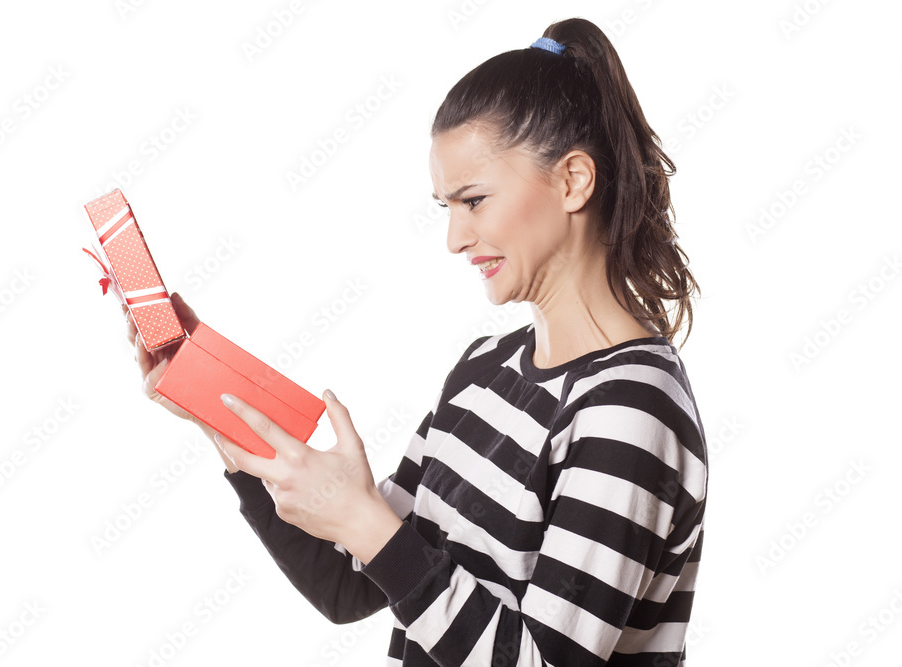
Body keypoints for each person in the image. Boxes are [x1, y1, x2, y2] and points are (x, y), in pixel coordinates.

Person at [125, 17, 707, 666]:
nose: (455, 239)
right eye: (445, 207)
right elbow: (349, 583)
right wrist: (211, 400)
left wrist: (365, 521)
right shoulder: (484, 369)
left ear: (573, 180)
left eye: (474, 200)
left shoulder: (631, 408)